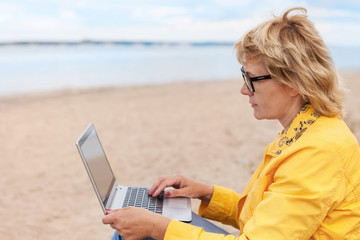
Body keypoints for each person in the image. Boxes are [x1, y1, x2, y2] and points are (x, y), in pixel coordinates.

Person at [102, 7, 360, 240]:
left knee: (142, 231)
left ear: (292, 82)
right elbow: (264, 216)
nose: (244, 90)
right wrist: (205, 192)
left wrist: (157, 228)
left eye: (251, 79)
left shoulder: (317, 152)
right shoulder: (303, 132)